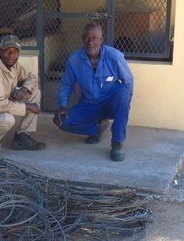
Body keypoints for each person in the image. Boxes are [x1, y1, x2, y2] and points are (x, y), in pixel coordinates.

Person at [52, 23, 134, 162]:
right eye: (87, 38)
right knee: (62, 122)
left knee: (123, 94)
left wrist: (124, 106)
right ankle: (96, 128)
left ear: (102, 39)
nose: (91, 42)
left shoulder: (114, 57)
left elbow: (128, 81)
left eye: (95, 38)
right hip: (89, 103)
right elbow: (66, 84)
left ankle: (117, 144)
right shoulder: (75, 59)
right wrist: (62, 106)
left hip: (110, 102)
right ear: (82, 39)